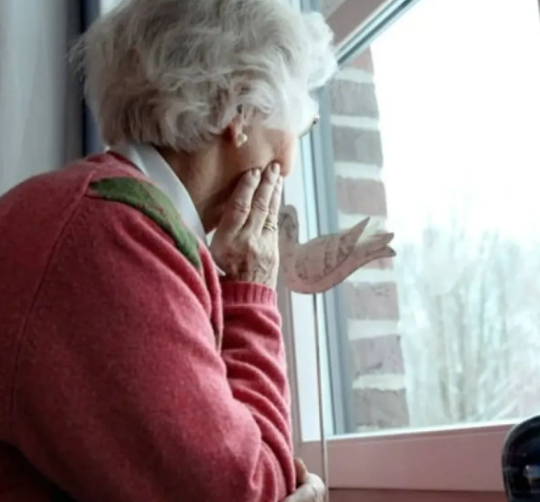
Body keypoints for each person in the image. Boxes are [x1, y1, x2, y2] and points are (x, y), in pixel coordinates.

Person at [0, 0, 337, 500]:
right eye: (299, 125)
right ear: (240, 111)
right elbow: (247, 491)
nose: (288, 163)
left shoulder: (96, 212)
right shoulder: (108, 236)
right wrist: (249, 295)